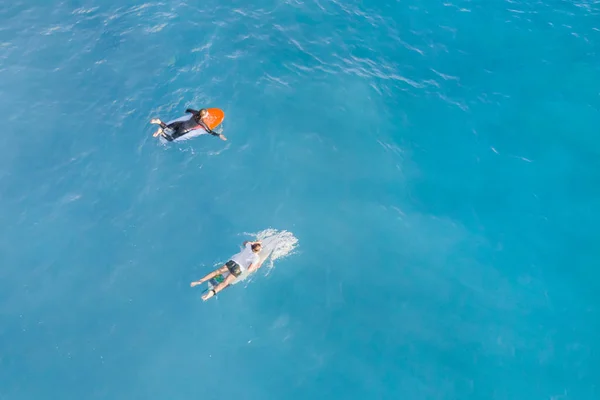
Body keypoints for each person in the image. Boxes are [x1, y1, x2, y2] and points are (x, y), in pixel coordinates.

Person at [190, 241, 263, 301]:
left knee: (217, 272)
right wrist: (256, 266)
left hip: (232, 263)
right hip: (238, 269)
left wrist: (254, 242)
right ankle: (209, 294)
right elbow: (249, 269)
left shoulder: (248, 247)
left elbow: (245, 242)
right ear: (258, 251)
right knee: (225, 282)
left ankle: (200, 281)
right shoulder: (256, 258)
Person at [150, 108, 227, 141]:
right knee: (171, 139)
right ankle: (161, 132)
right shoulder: (202, 123)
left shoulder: (195, 112)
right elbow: (209, 131)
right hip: (184, 130)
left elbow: (189, 109)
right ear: (204, 116)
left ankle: (159, 121)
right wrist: (219, 135)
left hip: (181, 123)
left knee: (167, 127)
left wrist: (185, 112)